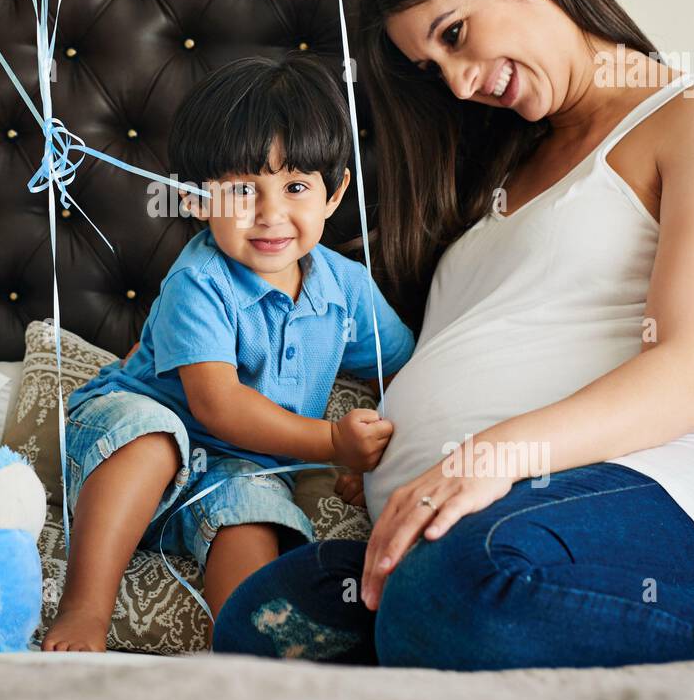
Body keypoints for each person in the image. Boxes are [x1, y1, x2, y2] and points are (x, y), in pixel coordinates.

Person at [212, 0, 694, 668]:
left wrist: (482, 458)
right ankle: (451, 631)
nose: (459, 83)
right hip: (485, 526)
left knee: (463, 588)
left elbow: (691, 376)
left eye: (455, 35)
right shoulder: (497, 179)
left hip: (659, 492)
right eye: (436, 68)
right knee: (261, 620)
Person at [42, 53, 415, 652]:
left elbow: (400, 367)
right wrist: (329, 443)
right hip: (135, 437)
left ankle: (243, 651)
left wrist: (372, 455)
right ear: (194, 200)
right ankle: (86, 607)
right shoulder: (201, 281)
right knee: (149, 434)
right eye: (241, 189)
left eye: (295, 187)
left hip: (246, 465)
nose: (270, 214)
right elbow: (216, 405)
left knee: (254, 506)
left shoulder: (346, 290)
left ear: (334, 193)